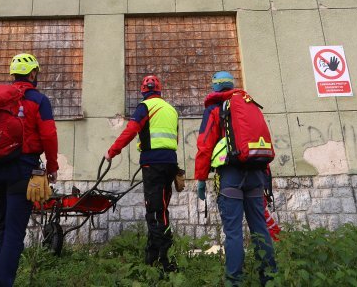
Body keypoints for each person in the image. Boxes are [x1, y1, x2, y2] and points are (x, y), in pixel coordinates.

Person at [195, 71, 277, 286]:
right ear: (232, 85)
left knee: (233, 233)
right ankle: (270, 279)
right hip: (256, 174)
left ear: (214, 87)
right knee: (260, 228)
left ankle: (234, 282)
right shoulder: (248, 105)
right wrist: (265, 177)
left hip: (231, 175)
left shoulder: (215, 108)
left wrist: (201, 178)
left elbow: (204, 145)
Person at [0, 53, 59, 287]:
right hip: (23, 169)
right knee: (15, 232)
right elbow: (49, 135)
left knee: (4, 226)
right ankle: (3, 283)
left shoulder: (1, 100)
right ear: (32, 73)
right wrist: (52, 167)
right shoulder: (38, 100)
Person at [104, 75, 180, 273]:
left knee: (155, 212)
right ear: (159, 90)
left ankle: (164, 262)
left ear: (143, 91)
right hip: (170, 163)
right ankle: (151, 258)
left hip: (153, 165)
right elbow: (173, 138)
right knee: (161, 210)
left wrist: (112, 151)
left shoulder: (145, 107)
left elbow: (131, 130)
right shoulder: (171, 109)